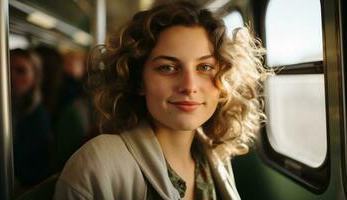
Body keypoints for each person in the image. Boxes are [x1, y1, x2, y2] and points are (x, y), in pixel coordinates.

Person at [54, 2, 268, 200]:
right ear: (138, 80)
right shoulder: (98, 163)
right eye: (168, 67)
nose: (189, 86)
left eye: (205, 67)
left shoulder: (213, 157)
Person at [10, 49, 52, 192]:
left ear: (35, 77)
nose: (11, 76)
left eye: (20, 71)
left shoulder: (39, 116)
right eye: (7, 68)